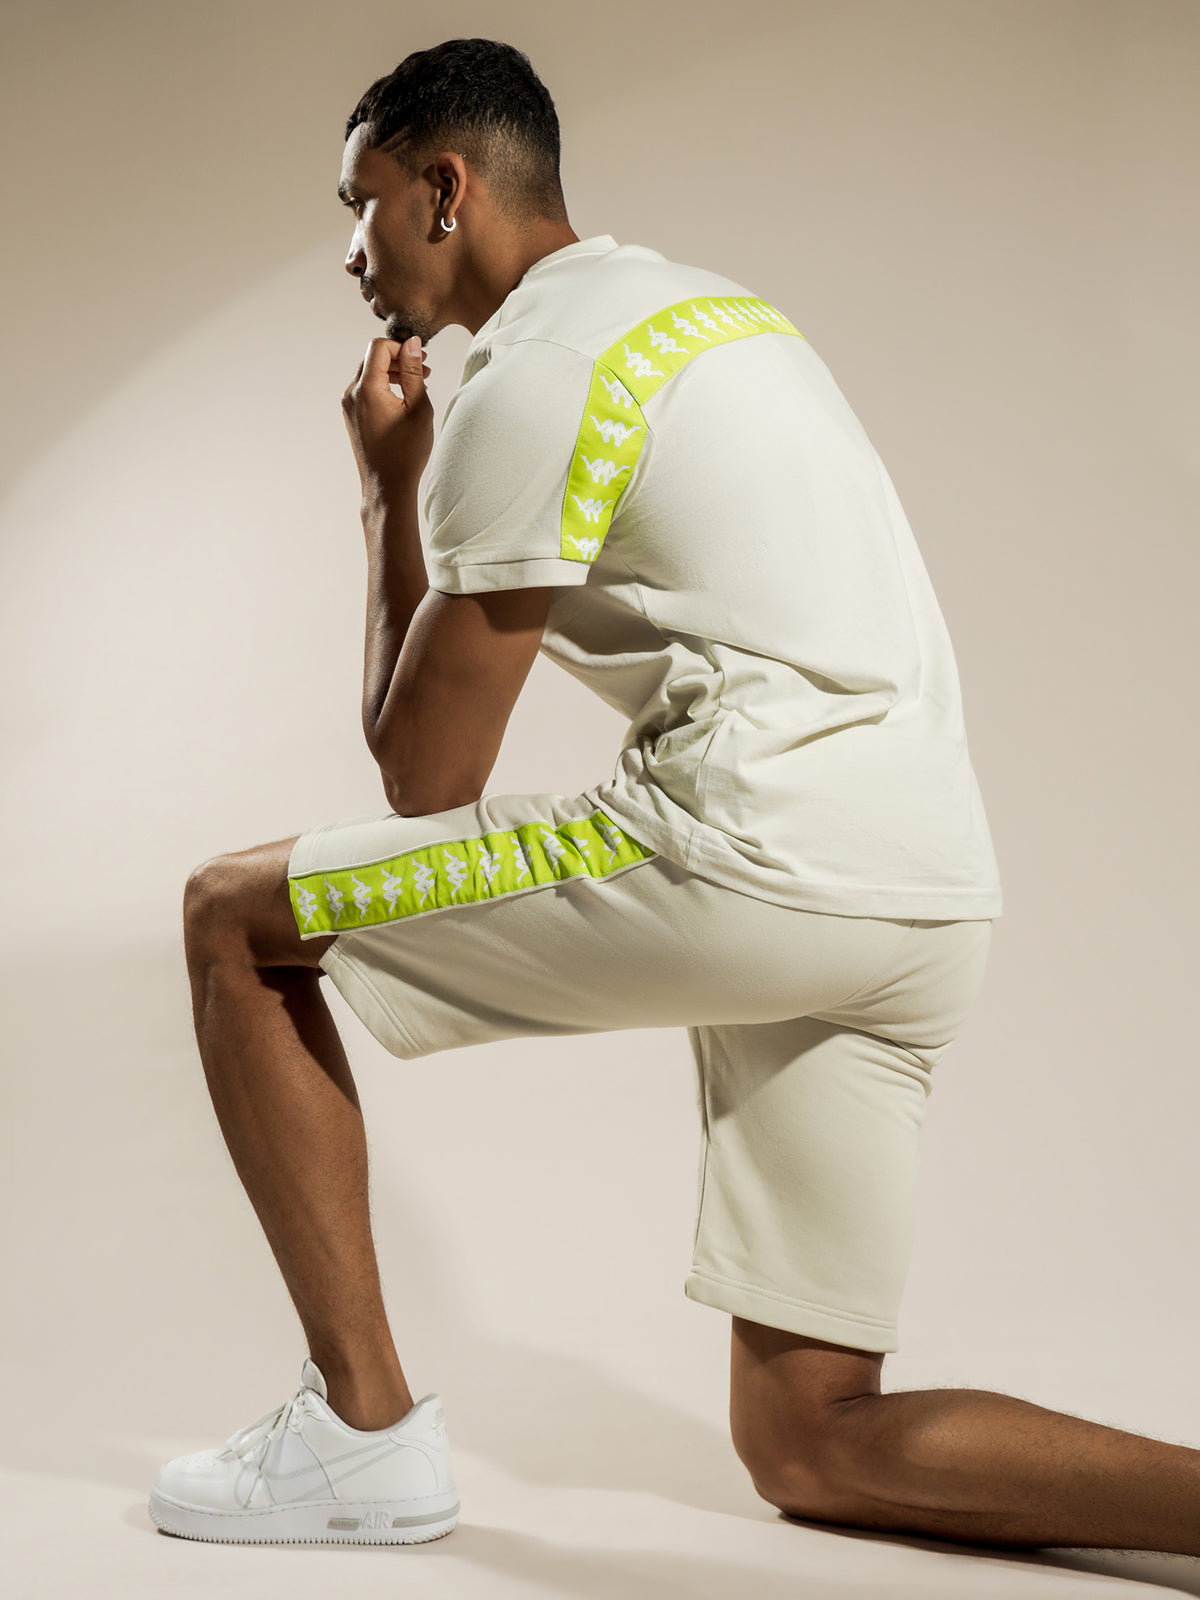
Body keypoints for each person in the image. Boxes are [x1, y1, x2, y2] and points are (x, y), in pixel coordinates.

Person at [148, 35, 1200, 1555]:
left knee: (231, 921)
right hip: (925, 891)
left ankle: (358, 1437)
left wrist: (387, 492)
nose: (353, 255)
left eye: (359, 206)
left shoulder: (533, 378)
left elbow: (426, 778)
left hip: (754, 856)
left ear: (443, 190)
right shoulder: (719, 312)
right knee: (812, 1443)